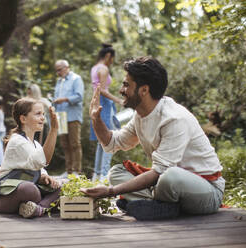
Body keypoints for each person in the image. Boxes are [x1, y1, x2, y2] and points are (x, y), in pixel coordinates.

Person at [81, 56, 225, 220]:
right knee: (116, 173)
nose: (121, 90)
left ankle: (148, 204)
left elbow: (159, 172)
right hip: (165, 185)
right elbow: (112, 143)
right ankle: (159, 207)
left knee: (170, 177)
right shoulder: (140, 115)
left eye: (126, 84)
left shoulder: (173, 118)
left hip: (207, 191)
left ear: (144, 90)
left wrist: (110, 192)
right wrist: (96, 120)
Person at [0, 98, 60, 218]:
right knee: (30, 190)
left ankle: (37, 208)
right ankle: (44, 205)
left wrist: (45, 177)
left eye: (43, 114)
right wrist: (54, 130)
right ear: (23, 119)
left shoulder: (36, 144)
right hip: (4, 197)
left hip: (28, 193)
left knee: (62, 186)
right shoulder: (17, 141)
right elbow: (42, 160)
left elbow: (40, 169)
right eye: (38, 114)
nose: (43, 118)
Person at [90, 43, 123, 182]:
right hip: (104, 106)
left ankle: (97, 175)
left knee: (100, 141)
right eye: (112, 58)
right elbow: (103, 90)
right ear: (108, 55)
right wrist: (119, 100)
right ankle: (104, 175)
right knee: (110, 139)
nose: (112, 62)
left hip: (96, 104)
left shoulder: (94, 68)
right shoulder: (103, 69)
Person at [53, 60, 84, 177]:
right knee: (65, 144)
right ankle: (69, 170)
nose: (58, 73)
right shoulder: (59, 81)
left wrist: (65, 99)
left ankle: (77, 170)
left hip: (72, 116)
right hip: (61, 116)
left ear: (67, 67)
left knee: (75, 143)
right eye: (57, 70)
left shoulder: (76, 79)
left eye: (60, 70)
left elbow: (79, 96)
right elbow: (56, 97)